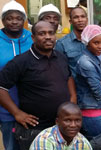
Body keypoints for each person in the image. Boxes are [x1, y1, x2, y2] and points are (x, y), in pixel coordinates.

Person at [0, 21, 75, 150]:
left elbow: (68, 77)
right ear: (33, 38)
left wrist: (73, 99)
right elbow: (1, 87)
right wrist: (16, 113)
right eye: (42, 33)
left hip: (61, 127)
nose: (48, 37)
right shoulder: (21, 61)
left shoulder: (61, 57)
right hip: (34, 130)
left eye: (51, 33)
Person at [0, 1, 33, 149]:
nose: (14, 21)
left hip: (33, 108)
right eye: (9, 18)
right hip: (5, 110)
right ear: (3, 20)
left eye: (18, 18)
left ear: (24, 20)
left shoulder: (33, 39)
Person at [75, 25, 101, 140]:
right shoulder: (86, 63)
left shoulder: (94, 57)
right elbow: (99, 92)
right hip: (93, 112)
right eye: (96, 43)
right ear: (87, 42)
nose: (100, 46)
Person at [55, 7, 88, 78]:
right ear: (70, 22)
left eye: (83, 17)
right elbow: (60, 70)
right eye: (76, 17)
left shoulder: (93, 40)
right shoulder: (62, 44)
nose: (80, 20)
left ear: (87, 20)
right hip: (74, 87)